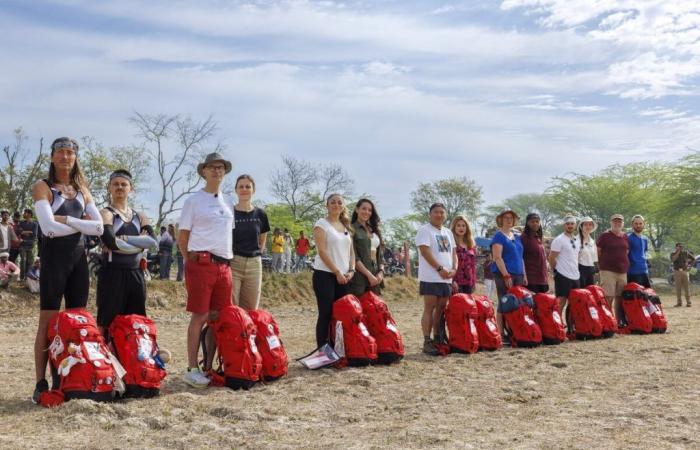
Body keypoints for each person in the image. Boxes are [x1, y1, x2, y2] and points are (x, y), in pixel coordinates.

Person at [31, 137, 104, 404]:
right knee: (48, 323)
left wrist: (66, 219)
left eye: (70, 152)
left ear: (75, 158)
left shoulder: (82, 189)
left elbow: (98, 228)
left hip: (78, 261)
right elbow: (48, 228)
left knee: (77, 323)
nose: (65, 156)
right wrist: (80, 224)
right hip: (53, 260)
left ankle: (73, 378)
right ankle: (41, 382)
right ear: (52, 157)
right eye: (60, 152)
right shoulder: (43, 186)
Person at [178, 152, 235, 388]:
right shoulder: (193, 201)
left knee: (218, 317)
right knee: (199, 316)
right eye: (212, 167)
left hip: (224, 264)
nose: (216, 171)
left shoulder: (228, 200)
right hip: (201, 262)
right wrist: (189, 262)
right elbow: (183, 236)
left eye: (220, 167)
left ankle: (209, 365)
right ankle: (192, 367)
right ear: (204, 171)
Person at [96, 169, 158, 334]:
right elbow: (110, 242)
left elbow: (152, 242)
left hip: (135, 274)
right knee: (106, 321)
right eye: (115, 184)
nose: (120, 187)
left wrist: (125, 239)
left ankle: (132, 356)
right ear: (109, 187)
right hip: (112, 274)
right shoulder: (106, 213)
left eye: (124, 184)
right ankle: (105, 357)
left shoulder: (140, 216)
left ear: (131, 188)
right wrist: (139, 242)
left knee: (136, 321)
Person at [312, 193, 355, 347]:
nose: (336, 205)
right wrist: (337, 272)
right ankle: (323, 350)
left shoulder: (346, 226)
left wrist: (351, 270)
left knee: (342, 313)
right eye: (332, 202)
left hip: (344, 277)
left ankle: (339, 348)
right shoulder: (321, 224)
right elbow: (322, 252)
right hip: (325, 275)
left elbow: (351, 252)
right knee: (326, 313)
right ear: (327, 205)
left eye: (339, 202)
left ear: (343, 205)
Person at [416, 203, 457, 354]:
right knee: (429, 308)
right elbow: (425, 252)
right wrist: (439, 268)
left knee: (440, 308)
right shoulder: (424, 230)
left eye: (442, 212)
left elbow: (454, 253)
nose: (439, 215)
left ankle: (437, 337)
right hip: (431, 276)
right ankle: (427, 341)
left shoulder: (448, 232)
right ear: (430, 214)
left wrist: (454, 269)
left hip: (446, 278)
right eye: (436, 212)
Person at [231, 174, 269, 310]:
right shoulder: (230, 213)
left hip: (254, 264)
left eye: (248, 186)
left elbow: (263, 237)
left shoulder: (261, 214)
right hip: (234, 263)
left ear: (253, 190)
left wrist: (258, 253)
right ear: (236, 190)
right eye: (241, 186)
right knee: (232, 306)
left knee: (251, 307)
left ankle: (248, 331)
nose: (244, 189)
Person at [491, 209, 526, 337]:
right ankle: (500, 332)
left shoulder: (516, 236)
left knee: (517, 302)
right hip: (503, 273)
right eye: (506, 217)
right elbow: (497, 257)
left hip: (518, 273)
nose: (509, 219)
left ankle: (513, 329)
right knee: (504, 301)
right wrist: (506, 275)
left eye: (511, 217)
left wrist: (524, 274)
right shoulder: (498, 236)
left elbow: (520, 257)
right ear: (501, 219)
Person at [348, 198, 385, 296]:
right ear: (357, 210)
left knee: (374, 310)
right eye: (364, 208)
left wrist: (381, 272)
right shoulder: (351, 229)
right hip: (359, 279)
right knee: (358, 309)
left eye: (370, 210)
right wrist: (369, 275)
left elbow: (380, 257)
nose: (367, 212)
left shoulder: (375, 230)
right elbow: (353, 257)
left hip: (375, 277)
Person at [596, 214, 629, 322]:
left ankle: (618, 321)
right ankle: (607, 321)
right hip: (608, 270)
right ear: (611, 223)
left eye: (619, 221)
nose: (617, 223)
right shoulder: (604, 236)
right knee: (608, 296)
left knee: (620, 297)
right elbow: (598, 251)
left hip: (622, 271)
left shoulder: (625, 236)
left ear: (623, 223)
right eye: (615, 221)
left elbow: (626, 251)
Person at [547, 215, 581, 320]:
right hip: (562, 274)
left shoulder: (577, 239)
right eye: (567, 224)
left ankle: (571, 327)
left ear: (575, 225)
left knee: (574, 302)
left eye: (572, 223)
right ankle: (558, 325)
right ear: (564, 225)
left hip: (575, 275)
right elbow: (551, 258)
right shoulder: (559, 239)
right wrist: (556, 271)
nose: (570, 226)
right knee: (561, 302)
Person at [520, 212, 549, 293]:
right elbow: (520, 258)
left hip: (542, 279)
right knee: (531, 304)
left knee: (543, 304)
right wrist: (524, 276)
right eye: (532, 222)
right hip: (531, 280)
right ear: (527, 223)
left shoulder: (538, 237)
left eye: (537, 221)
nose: (535, 223)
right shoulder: (524, 238)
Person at [450, 215, 477, 294]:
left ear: (467, 228)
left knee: (469, 306)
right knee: (457, 305)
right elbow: (449, 263)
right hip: (456, 283)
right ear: (454, 228)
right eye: (458, 226)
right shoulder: (451, 243)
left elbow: (473, 265)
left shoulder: (471, 245)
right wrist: (452, 281)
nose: (461, 228)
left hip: (469, 283)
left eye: (463, 226)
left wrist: (473, 282)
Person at [627, 215, 651, 288]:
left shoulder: (645, 239)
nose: (638, 225)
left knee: (647, 296)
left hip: (644, 271)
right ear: (632, 224)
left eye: (640, 223)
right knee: (635, 297)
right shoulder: (627, 238)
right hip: (632, 272)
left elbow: (644, 253)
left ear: (643, 224)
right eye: (636, 223)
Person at [17, 209, 38, 281]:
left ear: (29, 214)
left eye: (25, 213)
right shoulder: (21, 222)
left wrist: (24, 235)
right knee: (23, 260)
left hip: (30, 245)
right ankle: (21, 277)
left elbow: (34, 235)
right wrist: (28, 232)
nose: (24, 214)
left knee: (29, 262)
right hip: (22, 245)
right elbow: (18, 231)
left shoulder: (35, 224)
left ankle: (27, 277)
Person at [670, 242, 694, 307]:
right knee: (678, 288)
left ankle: (688, 302)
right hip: (677, 272)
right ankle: (679, 303)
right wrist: (678, 252)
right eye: (678, 246)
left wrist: (690, 267)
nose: (680, 247)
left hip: (685, 271)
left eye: (681, 246)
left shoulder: (685, 253)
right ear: (676, 247)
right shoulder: (673, 253)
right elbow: (673, 259)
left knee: (686, 287)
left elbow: (693, 259)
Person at [577, 217, 598, 287]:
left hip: (591, 270)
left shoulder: (592, 241)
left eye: (590, 224)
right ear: (581, 226)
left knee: (590, 293)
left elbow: (594, 258)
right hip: (579, 269)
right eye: (585, 224)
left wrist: (596, 269)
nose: (588, 226)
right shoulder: (576, 240)